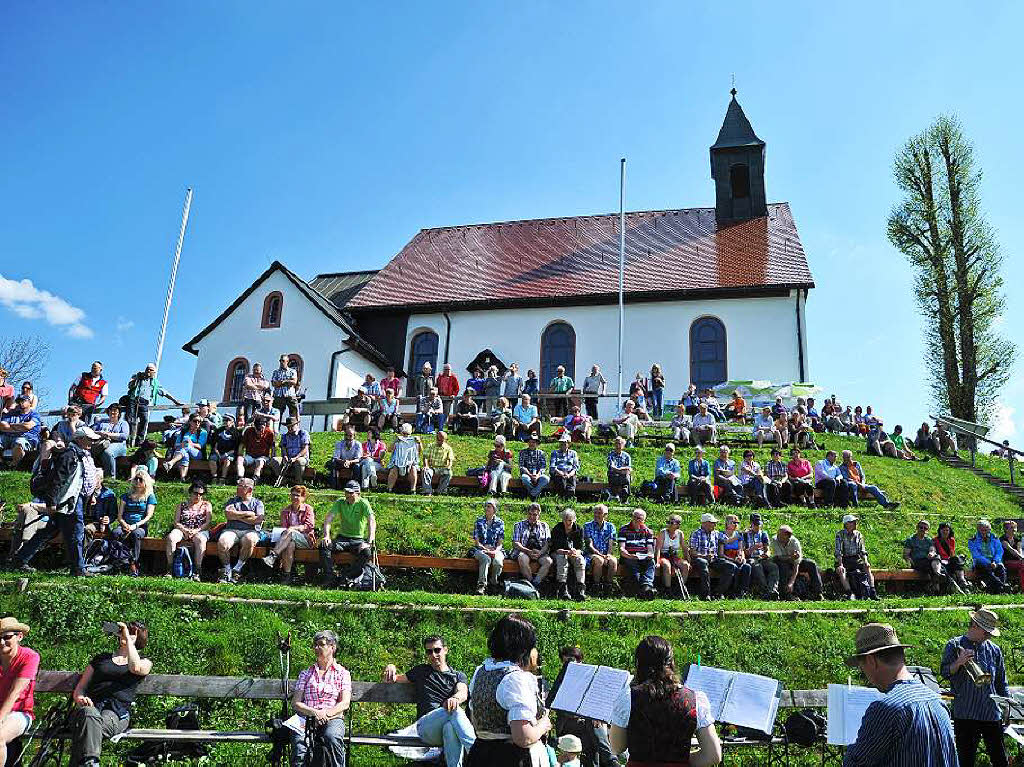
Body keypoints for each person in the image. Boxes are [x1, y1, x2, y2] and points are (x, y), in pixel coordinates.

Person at [843, 622, 957, 767]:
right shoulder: (937, 701)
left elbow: (856, 764)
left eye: (862, 666)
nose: (864, 673)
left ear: (871, 660)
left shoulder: (885, 708)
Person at [609, 635, 721, 766]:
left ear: (639, 664)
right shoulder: (695, 700)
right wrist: (681, 760)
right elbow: (713, 755)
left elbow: (617, 747)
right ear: (671, 662)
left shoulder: (629, 697)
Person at [7, 426, 98, 576]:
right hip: (70, 501)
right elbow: (58, 480)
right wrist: (51, 502)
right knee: (76, 532)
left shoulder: (83, 454)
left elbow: (85, 479)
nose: (93, 442)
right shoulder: (70, 454)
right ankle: (78, 569)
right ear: (80, 439)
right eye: (90, 439)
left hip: (74, 499)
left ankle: (19, 560)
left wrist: (91, 495)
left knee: (48, 531)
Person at [465, 615, 551, 767]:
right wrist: (543, 724)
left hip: (480, 754)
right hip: (509, 758)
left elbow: (474, 718)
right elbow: (523, 738)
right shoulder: (515, 680)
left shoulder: (481, 672)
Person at [69, 621, 152, 767]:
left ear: (139, 638)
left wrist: (128, 637)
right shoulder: (101, 659)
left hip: (116, 713)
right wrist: (80, 698)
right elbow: (81, 688)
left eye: (132, 633)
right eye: (125, 631)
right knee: (89, 716)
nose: (125, 635)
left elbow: (136, 668)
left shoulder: (145, 661)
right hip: (91, 707)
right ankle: (90, 764)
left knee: (88, 728)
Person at [383, 635, 475, 767]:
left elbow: (463, 692)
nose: (433, 655)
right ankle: (477, 752)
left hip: (445, 727)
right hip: (425, 728)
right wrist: (391, 666)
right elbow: (393, 679)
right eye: (429, 651)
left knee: (450, 727)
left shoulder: (458, 676)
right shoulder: (421, 671)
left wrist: (455, 698)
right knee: (453, 712)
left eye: (437, 650)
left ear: (445, 650)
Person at [942, 609, 1009, 767]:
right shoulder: (954, 645)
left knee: (1000, 760)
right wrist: (959, 662)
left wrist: (1006, 706)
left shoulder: (994, 650)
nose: (988, 636)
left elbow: (1001, 681)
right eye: (986, 632)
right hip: (966, 713)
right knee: (966, 761)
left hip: (991, 713)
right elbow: (945, 672)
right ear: (975, 626)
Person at [290, 629, 349, 767]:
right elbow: (296, 702)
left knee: (332, 738)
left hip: (333, 717)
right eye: (315, 645)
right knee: (299, 743)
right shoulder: (306, 673)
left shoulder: (342, 673)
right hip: (307, 717)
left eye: (321, 644)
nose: (317, 648)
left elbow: (345, 703)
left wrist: (325, 714)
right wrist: (314, 713)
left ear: (332, 647)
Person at [0, 616, 39, 767]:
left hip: (20, 713)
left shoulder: (29, 657)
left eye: (7, 637)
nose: (1, 642)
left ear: (19, 636)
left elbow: (15, 693)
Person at [320, 480, 375, 586]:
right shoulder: (340, 502)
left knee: (367, 552)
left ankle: (346, 577)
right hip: (342, 539)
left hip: (358, 540)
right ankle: (330, 577)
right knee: (324, 545)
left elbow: (371, 521)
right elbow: (329, 518)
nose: (347, 495)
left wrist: (369, 541)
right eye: (346, 492)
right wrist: (326, 535)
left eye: (351, 493)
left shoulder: (364, 503)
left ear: (358, 494)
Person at [262, 485, 317, 585]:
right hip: (289, 539)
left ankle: (273, 555)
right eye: (293, 495)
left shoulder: (308, 509)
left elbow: (309, 526)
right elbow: (284, 529)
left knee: (290, 532)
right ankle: (286, 577)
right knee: (289, 545)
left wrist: (293, 528)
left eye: (298, 495)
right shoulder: (285, 511)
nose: (294, 497)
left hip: (306, 540)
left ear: (303, 497)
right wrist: (289, 530)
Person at [215, 478, 266, 583]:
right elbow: (228, 514)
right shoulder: (232, 500)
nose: (237, 488)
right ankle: (227, 570)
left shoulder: (258, 503)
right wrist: (248, 513)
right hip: (231, 530)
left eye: (240, 486)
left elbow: (258, 520)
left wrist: (236, 515)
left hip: (251, 531)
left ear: (249, 489)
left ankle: (237, 569)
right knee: (222, 542)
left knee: (250, 539)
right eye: (238, 485)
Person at [126, 363, 183, 447]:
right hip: (133, 400)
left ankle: (139, 441)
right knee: (131, 420)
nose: (148, 371)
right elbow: (130, 386)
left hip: (144, 402)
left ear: (154, 372)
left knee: (144, 420)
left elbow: (164, 392)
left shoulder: (155, 382)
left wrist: (174, 400)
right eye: (147, 369)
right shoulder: (137, 377)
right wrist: (136, 379)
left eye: (151, 370)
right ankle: (128, 441)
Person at [164, 480, 211, 581]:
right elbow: (176, 522)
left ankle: (197, 571)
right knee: (171, 538)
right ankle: (169, 569)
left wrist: (195, 531)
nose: (198, 496)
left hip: (200, 530)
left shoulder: (207, 505)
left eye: (200, 494)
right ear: (190, 492)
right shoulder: (182, 505)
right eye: (195, 493)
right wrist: (185, 530)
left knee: (201, 540)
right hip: (183, 528)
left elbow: (207, 522)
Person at [115, 470, 156, 576]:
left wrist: (135, 526)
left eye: (140, 479)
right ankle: (119, 561)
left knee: (136, 534)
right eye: (136, 479)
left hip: (140, 526)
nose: (138, 481)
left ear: (145, 481)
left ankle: (134, 562)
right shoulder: (126, 496)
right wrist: (124, 524)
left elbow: (148, 516)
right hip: (125, 523)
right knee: (116, 533)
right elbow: (119, 516)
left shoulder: (150, 497)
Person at [688, 513, 735, 601]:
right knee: (703, 563)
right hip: (699, 558)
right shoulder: (696, 534)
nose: (715, 525)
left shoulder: (716, 533)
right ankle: (706, 594)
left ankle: (718, 593)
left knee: (730, 566)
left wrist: (739, 534)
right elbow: (692, 552)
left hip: (714, 559)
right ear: (705, 523)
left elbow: (729, 539)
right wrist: (704, 556)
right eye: (713, 523)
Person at [772, 525, 823, 600]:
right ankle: (786, 594)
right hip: (780, 561)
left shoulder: (795, 543)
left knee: (811, 564)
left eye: (781, 535)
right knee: (783, 566)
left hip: (793, 562)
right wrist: (790, 558)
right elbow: (779, 557)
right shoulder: (775, 539)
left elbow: (796, 565)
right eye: (778, 534)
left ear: (787, 537)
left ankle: (817, 592)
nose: (778, 536)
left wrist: (791, 583)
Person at [835, 514, 878, 600]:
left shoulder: (858, 534)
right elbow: (838, 552)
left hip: (856, 558)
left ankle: (872, 591)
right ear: (846, 524)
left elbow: (862, 551)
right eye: (852, 522)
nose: (855, 524)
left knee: (867, 568)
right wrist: (840, 564)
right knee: (841, 571)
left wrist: (866, 561)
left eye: (855, 522)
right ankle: (849, 593)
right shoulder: (840, 535)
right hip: (844, 559)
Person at [512, 503, 553, 587]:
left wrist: (540, 553)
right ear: (527, 513)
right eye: (530, 514)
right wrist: (528, 551)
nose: (532, 517)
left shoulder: (544, 526)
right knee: (522, 559)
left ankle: (536, 582)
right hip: (524, 551)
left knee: (548, 561)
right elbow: (515, 543)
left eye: (535, 515)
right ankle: (530, 583)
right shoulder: (518, 525)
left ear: (539, 515)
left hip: (540, 551)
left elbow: (548, 543)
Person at [617, 509, 656, 598]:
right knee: (633, 568)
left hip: (642, 556)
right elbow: (622, 549)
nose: (636, 519)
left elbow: (650, 549)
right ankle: (643, 590)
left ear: (643, 520)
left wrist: (649, 555)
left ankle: (647, 586)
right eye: (634, 517)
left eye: (639, 518)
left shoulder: (648, 531)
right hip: (629, 555)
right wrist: (629, 556)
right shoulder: (624, 529)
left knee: (651, 562)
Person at [550, 508, 586, 601]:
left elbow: (581, 547)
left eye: (570, 520)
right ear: (562, 520)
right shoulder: (557, 529)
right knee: (562, 559)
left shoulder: (579, 529)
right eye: (565, 520)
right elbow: (555, 548)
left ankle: (580, 589)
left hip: (573, 553)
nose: (568, 522)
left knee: (580, 560)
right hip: (559, 553)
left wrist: (576, 552)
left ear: (574, 519)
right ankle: (562, 589)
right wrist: (566, 552)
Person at [471, 499, 505, 595]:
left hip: (495, 549)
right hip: (480, 549)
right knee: (486, 559)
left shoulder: (500, 523)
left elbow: (500, 543)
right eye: (486, 506)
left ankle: (493, 583)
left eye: (489, 506)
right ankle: (481, 585)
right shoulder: (479, 521)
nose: (486, 508)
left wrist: (495, 551)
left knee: (498, 562)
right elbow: (477, 542)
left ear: (494, 509)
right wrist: (485, 549)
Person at [583, 505, 617, 597]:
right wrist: (601, 555)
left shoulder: (610, 527)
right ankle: (596, 586)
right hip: (591, 554)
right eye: (595, 513)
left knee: (613, 561)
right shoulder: (587, 526)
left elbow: (611, 543)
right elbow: (589, 545)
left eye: (599, 513)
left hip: (605, 554)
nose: (596, 515)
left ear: (605, 515)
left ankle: (608, 587)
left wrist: (609, 554)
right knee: (599, 560)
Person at [903, 520, 946, 592]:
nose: (923, 529)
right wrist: (909, 562)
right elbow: (906, 554)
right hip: (917, 561)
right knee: (939, 568)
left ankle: (937, 574)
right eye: (921, 527)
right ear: (917, 528)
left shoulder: (928, 540)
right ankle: (937, 585)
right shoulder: (910, 540)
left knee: (937, 558)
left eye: (925, 528)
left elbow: (932, 550)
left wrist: (931, 553)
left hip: (927, 560)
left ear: (927, 530)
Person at [742, 513, 779, 599]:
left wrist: (767, 554)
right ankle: (765, 591)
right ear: (751, 524)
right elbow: (745, 553)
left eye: (759, 524)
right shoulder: (744, 535)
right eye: (755, 525)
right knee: (756, 566)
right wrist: (754, 547)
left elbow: (767, 549)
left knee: (774, 567)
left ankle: (772, 590)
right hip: (751, 558)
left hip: (762, 558)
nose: (757, 527)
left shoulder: (763, 534)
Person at [162, 413, 208, 481]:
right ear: (190, 421)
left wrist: (191, 444)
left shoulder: (203, 432)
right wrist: (182, 444)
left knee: (186, 447)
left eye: (199, 421)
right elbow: (176, 444)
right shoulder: (184, 431)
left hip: (197, 453)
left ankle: (171, 462)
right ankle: (182, 478)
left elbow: (200, 446)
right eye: (195, 421)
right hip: (183, 450)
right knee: (185, 454)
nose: (197, 423)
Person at [968, 519, 1008, 594]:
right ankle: (1002, 587)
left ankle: (998, 590)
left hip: (994, 562)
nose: (984, 532)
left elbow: (999, 551)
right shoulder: (973, 540)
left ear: (989, 529)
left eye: (986, 530)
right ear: (978, 529)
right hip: (981, 562)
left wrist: (995, 561)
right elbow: (976, 555)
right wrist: (989, 563)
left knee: (1001, 568)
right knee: (986, 570)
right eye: (982, 530)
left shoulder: (994, 538)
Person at [0, 395, 41, 468]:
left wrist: (11, 426)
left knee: (19, 442)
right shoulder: (11, 413)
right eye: (19, 401)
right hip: (8, 437)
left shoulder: (34, 414)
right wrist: (20, 427)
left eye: (23, 401)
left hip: (27, 439)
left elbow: (28, 426)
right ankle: (1, 463)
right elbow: (2, 426)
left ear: (30, 403)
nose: (20, 403)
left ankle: (13, 465)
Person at [91, 403, 131, 478]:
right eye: (110, 410)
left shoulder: (123, 423)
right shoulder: (101, 422)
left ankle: (110, 477)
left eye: (115, 411)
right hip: (101, 443)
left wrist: (108, 434)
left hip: (119, 444)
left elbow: (124, 436)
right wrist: (100, 433)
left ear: (119, 413)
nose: (112, 412)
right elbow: (92, 431)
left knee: (107, 452)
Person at [654, 514, 689, 597]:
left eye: (671, 522)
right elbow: (658, 548)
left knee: (685, 565)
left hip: (674, 555)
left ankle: (680, 588)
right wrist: (657, 562)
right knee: (667, 565)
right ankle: (667, 589)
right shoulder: (663, 533)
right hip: (664, 555)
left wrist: (688, 560)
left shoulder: (680, 533)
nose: (668, 524)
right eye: (668, 522)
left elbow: (684, 548)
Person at [236, 415, 276, 483]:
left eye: (261, 429)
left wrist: (272, 457)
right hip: (250, 456)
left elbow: (273, 447)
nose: (259, 431)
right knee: (240, 459)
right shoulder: (249, 431)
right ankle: (240, 478)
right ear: (254, 426)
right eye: (258, 429)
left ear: (265, 425)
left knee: (259, 462)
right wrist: (240, 454)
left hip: (263, 456)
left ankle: (255, 478)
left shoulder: (269, 433)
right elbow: (242, 445)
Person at [934, 522, 972, 594]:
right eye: (943, 530)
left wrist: (950, 559)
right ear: (940, 531)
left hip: (949, 560)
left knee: (956, 559)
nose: (945, 532)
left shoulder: (951, 540)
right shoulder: (935, 540)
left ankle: (962, 581)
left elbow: (952, 553)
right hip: (940, 561)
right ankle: (958, 585)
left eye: (947, 530)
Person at [718, 514, 751, 598]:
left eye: (737, 523)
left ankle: (742, 592)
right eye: (734, 522)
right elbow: (721, 554)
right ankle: (731, 592)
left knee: (746, 567)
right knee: (734, 567)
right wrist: (733, 559)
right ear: (727, 524)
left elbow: (741, 549)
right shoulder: (721, 534)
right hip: (727, 558)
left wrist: (742, 557)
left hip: (736, 557)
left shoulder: (738, 535)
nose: (736, 525)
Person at [207, 413, 244, 484]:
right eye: (225, 420)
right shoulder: (219, 430)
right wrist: (218, 453)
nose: (226, 422)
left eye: (228, 420)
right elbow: (214, 444)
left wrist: (226, 454)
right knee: (212, 459)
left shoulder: (236, 433)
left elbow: (235, 448)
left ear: (233, 422)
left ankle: (223, 479)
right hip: (218, 452)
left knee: (227, 460)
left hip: (230, 453)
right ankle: (214, 477)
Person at [274, 417, 311, 484]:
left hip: (301, 457)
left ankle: (298, 481)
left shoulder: (303, 433)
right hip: (288, 458)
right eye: (288, 427)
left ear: (297, 425)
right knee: (274, 460)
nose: (290, 428)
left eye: (292, 426)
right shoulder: (284, 436)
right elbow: (283, 447)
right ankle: (283, 480)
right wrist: (285, 456)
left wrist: (296, 458)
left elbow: (305, 448)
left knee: (299, 461)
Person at [387, 422, 421, 493]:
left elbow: (420, 451)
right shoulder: (397, 440)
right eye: (404, 433)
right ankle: (389, 489)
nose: (405, 435)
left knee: (413, 468)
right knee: (394, 469)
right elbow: (389, 450)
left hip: (410, 462)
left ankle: (413, 490)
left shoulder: (414, 440)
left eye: (407, 434)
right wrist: (395, 441)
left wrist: (419, 443)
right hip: (397, 462)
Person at [421, 429, 455, 495]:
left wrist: (449, 466)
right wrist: (426, 466)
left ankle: (439, 491)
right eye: (439, 440)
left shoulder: (448, 448)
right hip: (432, 467)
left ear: (445, 440)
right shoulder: (430, 446)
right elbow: (425, 457)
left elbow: (450, 459)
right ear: (436, 438)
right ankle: (428, 491)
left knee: (449, 473)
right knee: (425, 471)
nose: (441, 442)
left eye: (442, 440)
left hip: (442, 467)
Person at [517, 434, 549, 501]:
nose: (531, 444)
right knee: (524, 478)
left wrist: (537, 475)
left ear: (537, 444)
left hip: (538, 474)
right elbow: (521, 466)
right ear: (528, 443)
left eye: (533, 442)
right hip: (527, 473)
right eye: (530, 442)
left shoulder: (541, 453)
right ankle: (535, 495)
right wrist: (530, 475)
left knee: (546, 479)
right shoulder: (522, 452)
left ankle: (531, 494)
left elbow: (543, 467)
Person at [330, 424, 363, 489]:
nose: (348, 437)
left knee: (357, 466)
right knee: (333, 463)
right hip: (342, 462)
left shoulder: (358, 444)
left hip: (352, 463)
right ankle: (334, 485)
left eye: (350, 436)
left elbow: (358, 459)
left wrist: (349, 462)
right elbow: (336, 457)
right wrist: (344, 462)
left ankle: (354, 486)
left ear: (354, 436)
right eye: (346, 435)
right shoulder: (339, 443)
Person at [549, 434, 580, 499]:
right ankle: (561, 499)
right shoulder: (555, 452)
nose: (562, 445)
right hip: (558, 473)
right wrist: (561, 473)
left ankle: (569, 499)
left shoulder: (573, 453)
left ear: (569, 443)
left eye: (564, 443)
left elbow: (576, 467)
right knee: (561, 483)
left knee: (571, 486)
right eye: (561, 443)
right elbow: (552, 466)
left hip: (570, 473)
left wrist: (569, 474)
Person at [271, 354, 301, 422]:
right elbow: (274, 383)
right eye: (280, 361)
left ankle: (295, 429)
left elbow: (294, 382)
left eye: (283, 361)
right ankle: (276, 430)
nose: (281, 362)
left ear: (287, 361)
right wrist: (287, 381)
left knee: (294, 413)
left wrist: (283, 381)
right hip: (278, 396)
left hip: (290, 395)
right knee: (277, 414)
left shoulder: (292, 371)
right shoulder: (276, 372)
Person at [999, 520, 1023, 592]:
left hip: (1018, 562)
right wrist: (1021, 558)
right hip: (1006, 562)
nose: (1014, 529)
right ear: (1006, 529)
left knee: (1022, 566)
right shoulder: (1002, 539)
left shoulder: (1017, 539)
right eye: (1012, 528)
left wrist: (1021, 557)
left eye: (1015, 527)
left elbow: (1019, 550)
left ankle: (1019, 587)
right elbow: (1011, 550)